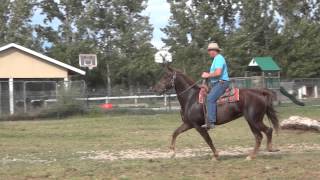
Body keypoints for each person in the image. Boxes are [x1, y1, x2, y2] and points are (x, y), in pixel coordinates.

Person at [201, 42, 230, 129]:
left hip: (222, 83)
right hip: (216, 83)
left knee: (210, 98)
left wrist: (207, 75)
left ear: (214, 51)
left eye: (210, 50)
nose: (209, 52)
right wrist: (208, 75)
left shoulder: (219, 58)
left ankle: (211, 122)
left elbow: (218, 73)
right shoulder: (216, 59)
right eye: (208, 50)